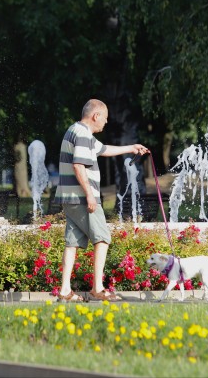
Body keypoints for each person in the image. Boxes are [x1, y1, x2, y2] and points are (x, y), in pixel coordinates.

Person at [55, 99, 149, 302]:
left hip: (70, 197)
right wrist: (90, 194)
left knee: (72, 243)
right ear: (95, 116)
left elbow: (103, 149)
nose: (105, 123)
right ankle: (97, 288)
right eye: (104, 119)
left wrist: (131, 148)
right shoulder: (82, 134)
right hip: (82, 197)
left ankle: (64, 291)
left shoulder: (76, 131)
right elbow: (78, 166)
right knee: (103, 238)